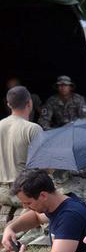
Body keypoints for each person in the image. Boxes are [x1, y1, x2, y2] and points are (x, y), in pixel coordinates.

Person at [0, 86, 41, 221]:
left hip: (2, 193)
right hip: (25, 193)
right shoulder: (32, 129)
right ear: (29, 103)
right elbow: (44, 165)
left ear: (8, 104)